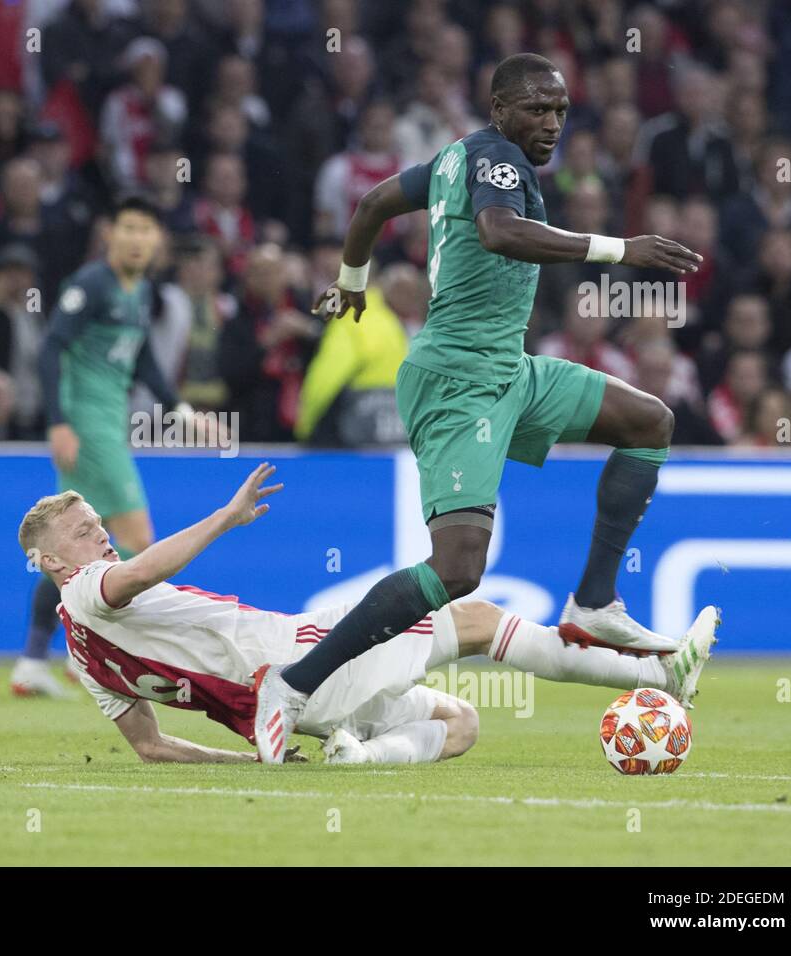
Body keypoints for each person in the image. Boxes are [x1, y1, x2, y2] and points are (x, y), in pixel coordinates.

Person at [254, 54, 705, 763]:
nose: (550, 123)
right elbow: (500, 231)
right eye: (535, 109)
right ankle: (292, 684)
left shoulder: (451, 159)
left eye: (559, 110)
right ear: (498, 109)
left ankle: (593, 602)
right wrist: (623, 248)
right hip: (460, 379)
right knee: (458, 569)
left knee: (650, 421)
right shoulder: (495, 159)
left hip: (509, 369)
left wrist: (350, 284)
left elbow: (372, 204)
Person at [16, 464, 717, 765]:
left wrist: (241, 758)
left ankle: (356, 757)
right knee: (472, 617)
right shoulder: (87, 587)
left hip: (299, 713)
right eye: (81, 532)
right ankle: (659, 675)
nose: (99, 535)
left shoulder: (83, 659)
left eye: (97, 522)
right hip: (296, 659)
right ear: (53, 562)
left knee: (459, 724)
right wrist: (226, 519)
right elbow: (139, 569)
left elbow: (150, 745)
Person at [13, 195, 189, 697]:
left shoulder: (140, 292)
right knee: (140, 539)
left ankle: (49, 657)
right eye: (127, 228)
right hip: (89, 431)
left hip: (108, 427)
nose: (136, 238)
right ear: (110, 233)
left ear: (157, 241)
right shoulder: (91, 283)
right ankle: (99, 652)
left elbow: (145, 363)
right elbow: (51, 347)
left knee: (76, 551)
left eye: (145, 230)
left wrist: (183, 413)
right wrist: (59, 423)